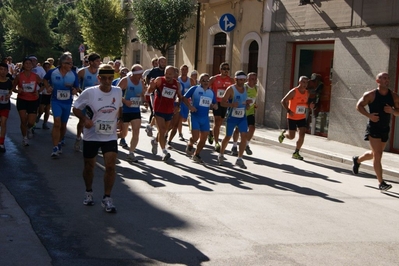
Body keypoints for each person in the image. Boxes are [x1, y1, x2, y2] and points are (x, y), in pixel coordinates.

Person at [72, 64, 123, 213]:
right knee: (89, 167)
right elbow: (76, 108)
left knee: (111, 166)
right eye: (104, 78)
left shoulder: (118, 91)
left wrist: (121, 122)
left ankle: (107, 197)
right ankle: (88, 192)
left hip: (110, 135)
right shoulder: (89, 93)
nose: (107, 81)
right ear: (99, 78)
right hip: (92, 134)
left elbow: (119, 107)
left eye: (110, 78)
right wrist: (84, 119)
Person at [352, 72, 399, 191]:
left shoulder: (394, 96)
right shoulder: (371, 95)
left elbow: (398, 112)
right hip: (373, 128)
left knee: (375, 154)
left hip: (385, 128)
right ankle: (381, 182)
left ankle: (357, 160)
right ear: (377, 81)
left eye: (387, 78)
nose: (386, 80)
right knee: (378, 155)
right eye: (383, 78)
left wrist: (392, 111)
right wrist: (369, 116)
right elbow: (358, 106)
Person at [43, 53, 79, 158]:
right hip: (56, 101)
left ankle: (59, 141)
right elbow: (45, 79)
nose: (71, 65)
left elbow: (77, 87)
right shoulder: (53, 72)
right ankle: (55, 147)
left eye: (72, 63)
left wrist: (74, 90)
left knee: (63, 126)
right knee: (57, 123)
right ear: (63, 63)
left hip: (67, 102)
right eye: (69, 63)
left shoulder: (73, 74)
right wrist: (48, 87)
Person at [147, 65, 185, 162]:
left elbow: (179, 96)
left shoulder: (177, 84)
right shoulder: (160, 80)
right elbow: (149, 91)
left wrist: (178, 106)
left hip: (169, 110)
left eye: (170, 74)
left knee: (164, 131)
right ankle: (165, 152)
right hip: (159, 109)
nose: (167, 76)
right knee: (162, 130)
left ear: (174, 75)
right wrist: (151, 87)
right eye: (166, 73)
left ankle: (155, 141)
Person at [217, 71, 249, 169]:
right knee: (228, 136)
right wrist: (231, 105)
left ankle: (239, 158)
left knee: (244, 136)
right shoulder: (231, 89)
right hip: (232, 117)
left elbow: (244, 102)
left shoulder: (245, 89)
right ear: (236, 79)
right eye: (240, 80)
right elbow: (222, 103)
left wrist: (247, 105)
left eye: (244, 80)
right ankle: (221, 154)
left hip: (242, 117)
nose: (242, 82)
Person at [278, 76, 314, 160]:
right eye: (303, 82)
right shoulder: (294, 92)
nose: (305, 84)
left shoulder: (307, 93)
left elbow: (306, 104)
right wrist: (288, 110)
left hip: (301, 117)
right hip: (292, 117)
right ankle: (283, 134)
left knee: (302, 134)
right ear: (299, 82)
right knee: (291, 137)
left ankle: (296, 152)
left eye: (306, 82)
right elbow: (283, 101)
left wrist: (310, 106)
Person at [184, 73, 217, 163]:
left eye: (207, 80)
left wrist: (215, 106)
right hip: (195, 116)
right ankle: (190, 143)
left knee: (203, 139)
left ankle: (196, 154)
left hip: (205, 118)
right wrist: (190, 107)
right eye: (203, 80)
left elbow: (215, 103)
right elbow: (184, 98)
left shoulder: (211, 92)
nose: (206, 82)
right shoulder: (194, 89)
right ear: (200, 81)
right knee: (195, 138)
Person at [117, 64, 146, 162]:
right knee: (123, 134)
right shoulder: (125, 81)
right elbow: (115, 93)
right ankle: (111, 138)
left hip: (135, 110)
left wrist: (143, 100)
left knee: (136, 132)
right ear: (134, 73)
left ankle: (131, 153)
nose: (141, 76)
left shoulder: (141, 82)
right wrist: (125, 101)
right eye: (139, 74)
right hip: (125, 110)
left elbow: (142, 94)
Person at [12, 58, 43, 146]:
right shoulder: (19, 76)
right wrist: (17, 91)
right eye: (26, 63)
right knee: (23, 120)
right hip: (22, 99)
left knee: (31, 122)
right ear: (23, 65)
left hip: (33, 100)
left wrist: (38, 91)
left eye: (30, 63)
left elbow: (42, 84)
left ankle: (29, 128)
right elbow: (13, 88)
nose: (28, 65)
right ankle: (25, 138)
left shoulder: (35, 76)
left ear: (32, 65)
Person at [75, 52, 102, 152]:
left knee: (97, 120)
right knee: (82, 121)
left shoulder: (100, 73)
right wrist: (79, 91)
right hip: (85, 100)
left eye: (99, 61)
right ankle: (78, 138)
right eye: (97, 61)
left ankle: (96, 142)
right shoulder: (82, 72)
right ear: (90, 62)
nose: (99, 63)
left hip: (97, 101)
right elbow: (76, 83)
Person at [208, 62, 235, 151]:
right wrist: (211, 101)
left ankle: (211, 133)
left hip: (225, 103)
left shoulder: (231, 80)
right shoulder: (214, 79)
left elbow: (234, 91)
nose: (226, 70)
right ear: (220, 70)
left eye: (227, 69)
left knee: (220, 123)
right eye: (224, 68)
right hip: (216, 103)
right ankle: (216, 143)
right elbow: (206, 88)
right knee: (217, 120)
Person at [230, 72, 258, 156]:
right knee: (238, 129)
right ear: (248, 79)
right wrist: (245, 103)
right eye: (252, 79)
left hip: (250, 112)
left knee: (252, 128)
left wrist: (254, 104)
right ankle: (234, 146)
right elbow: (238, 97)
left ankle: (246, 144)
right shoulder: (244, 87)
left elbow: (253, 98)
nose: (254, 80)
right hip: (242, 111)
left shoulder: (256, 88)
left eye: (255, 78)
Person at [167, 64, 195, 145]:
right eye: (183, 69)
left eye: (186, 69)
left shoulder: (190, 80)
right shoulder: (177, 80)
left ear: (188, 71)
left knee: (183, 119)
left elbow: (194, 91)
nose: (184, 71)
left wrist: (192, 102)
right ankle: (170, 137)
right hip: (175, 103)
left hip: (184, 102)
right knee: (175, 122)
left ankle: (168, 135)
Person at [145, 56, 167, 137]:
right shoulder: (154, 71)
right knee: (156, 111)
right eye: (162, 62)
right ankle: (160, 132)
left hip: (164, 95)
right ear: (158, 63)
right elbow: (147, 78)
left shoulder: (166, 71)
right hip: (154, 93)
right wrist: (149, 86)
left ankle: (150, 126)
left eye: (164, 62)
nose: (163, 63)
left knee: (162, 112)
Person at [0, 62, 13, 152]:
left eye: (5, 70)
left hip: (5, 105)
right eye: (1, 69)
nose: (3, 71)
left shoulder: (9, 82)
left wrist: (9, 94)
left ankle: (1, 143)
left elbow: (11, 90)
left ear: (7, 71)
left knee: (3, 123)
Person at [36, 61, 52, 129]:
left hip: (49, 94)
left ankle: (45, 123)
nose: (47, 69)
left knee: (47, 110)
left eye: (48, 67)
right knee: (41, 110)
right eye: (45, 67)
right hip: (42, 94)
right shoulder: (42, 74)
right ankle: (37, 119)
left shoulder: (52, 74)